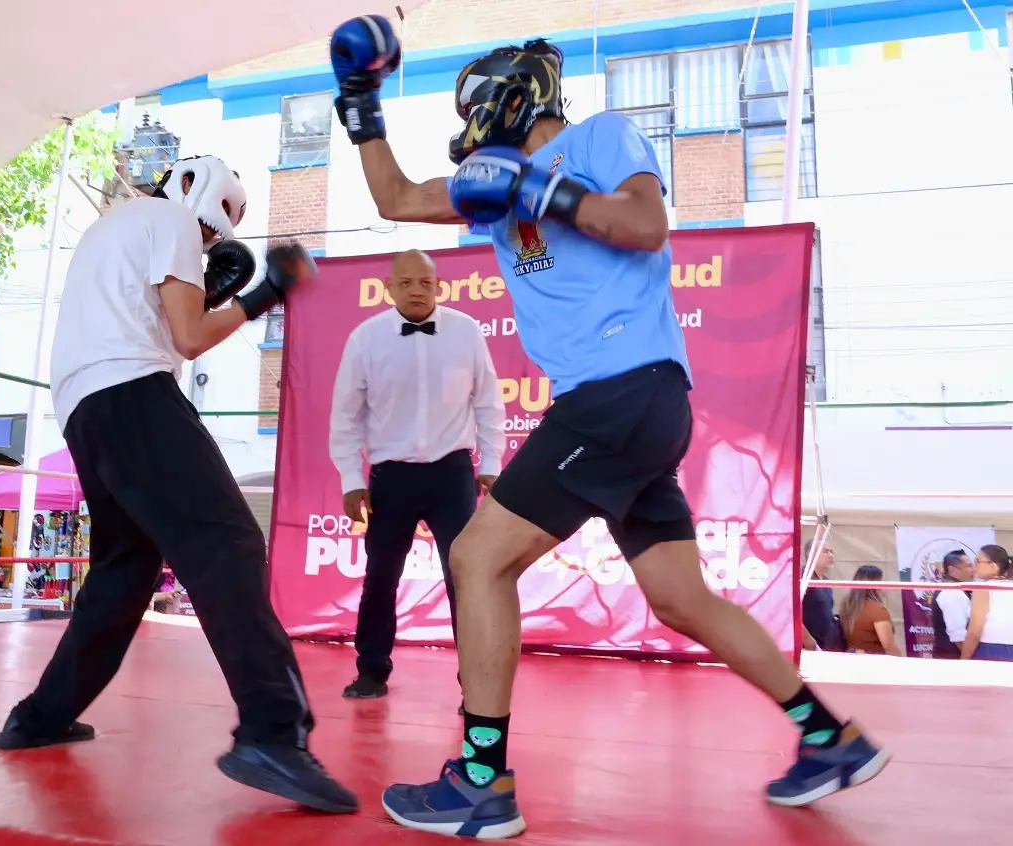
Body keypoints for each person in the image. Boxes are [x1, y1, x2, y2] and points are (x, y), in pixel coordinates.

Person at [328, 17, 890, 837]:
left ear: (513, 97)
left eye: (476, 106)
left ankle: (482, 780)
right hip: (630, 411)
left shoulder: (597, 137)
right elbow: (394, 197)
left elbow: (645, 225)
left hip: (620, 392)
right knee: (681, 599)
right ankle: (827, 737)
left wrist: (537, 191)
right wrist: (359, 99)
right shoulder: (495, 186)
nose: (468, 129)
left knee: (478, 558)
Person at [0, 155, 357, 815]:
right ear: (207, 201)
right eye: (215, 234)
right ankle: (273, 734)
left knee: (125, 569)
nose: (213, 246)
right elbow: (188, 338)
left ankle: (41, 716)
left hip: (84, 409)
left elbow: (161, 324)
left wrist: (219, 293)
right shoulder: (171, 221)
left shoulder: (118, 229)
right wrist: (265, 293)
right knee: (228, 543)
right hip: (134, 395)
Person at [330, 248, 505, 703]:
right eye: (406, 283)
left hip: (452, 476)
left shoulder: (466, 332)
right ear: (389, 288)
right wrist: (352, 477)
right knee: (380, 577)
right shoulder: (365, 338)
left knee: (466, 578)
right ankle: (371, 671)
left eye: (425, 283)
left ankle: (476, 679)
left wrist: (490, 465)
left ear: (438, 286)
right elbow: (346, 416)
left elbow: (488, 403)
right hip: (391, 477)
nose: (416, 291)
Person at [960, 544, 1013, 661]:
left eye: (978, 561)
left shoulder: (983, 589)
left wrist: (963, 660)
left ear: (994, 566)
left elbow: (975, 631)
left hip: (991, 650)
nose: (974, 566)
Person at [838, 566, 900, 656]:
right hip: (874, 660)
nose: (887, 584)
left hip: (852, 657)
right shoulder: (878, 610)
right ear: (874, 585)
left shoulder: (848, 605)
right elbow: (888, 646)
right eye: (883, 581)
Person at [801, 538, 844, 652]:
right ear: (811, 554)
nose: (831, 555)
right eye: (825, 551)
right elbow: (790, 612)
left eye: (831, 552)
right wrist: (807, 639)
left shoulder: (825, 581)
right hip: (809, 646)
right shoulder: (802, 578)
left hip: (826, 644)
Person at [931, 549, 972, 659]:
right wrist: (969, 662)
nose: (973, 570)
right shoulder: (952, 592)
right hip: (952, 660)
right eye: (969, 566)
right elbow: (958, 637)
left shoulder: (955, 590)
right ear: (953, 570)